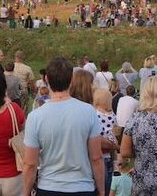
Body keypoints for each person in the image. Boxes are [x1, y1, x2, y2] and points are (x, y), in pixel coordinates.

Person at [22, 56, 105, 196]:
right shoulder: (89, 111)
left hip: (49, 186)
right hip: (82, 187)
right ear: (71, 79)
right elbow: (96, 157)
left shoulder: (35, 116)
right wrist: (102, 190)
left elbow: (30, 164)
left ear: (46, 79)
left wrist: (25, 192)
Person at [93, 88, 117, 196]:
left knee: (99, 183)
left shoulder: (94, 114)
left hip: (99, 151)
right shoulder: (112, 115)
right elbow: (115, 130)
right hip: (111, 150)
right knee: (108, 182)